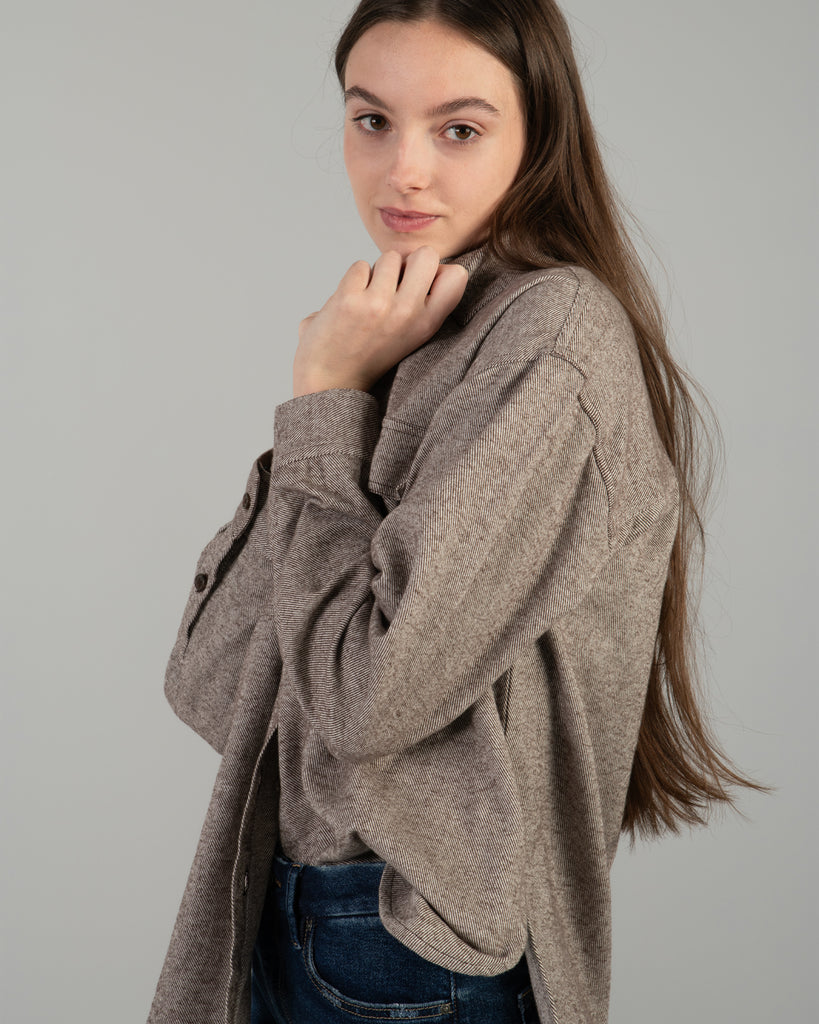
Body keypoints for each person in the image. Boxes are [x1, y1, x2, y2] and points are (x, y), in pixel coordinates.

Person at [148, 2, 767, 1022]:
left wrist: (321, 398)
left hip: (405, 941)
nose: (406, 171)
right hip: (296, 899)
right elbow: (214, 681)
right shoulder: (413, 324)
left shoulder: (550, 337)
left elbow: (364, 702)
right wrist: (335, 397)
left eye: (460, 129)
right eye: (372, 120)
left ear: (540, 134)